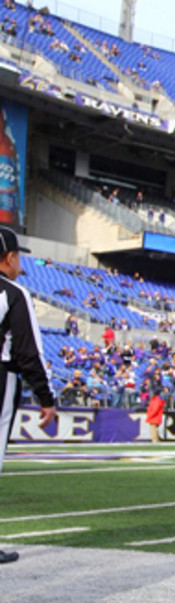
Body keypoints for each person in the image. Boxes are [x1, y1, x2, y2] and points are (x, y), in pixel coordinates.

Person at [0, 225, 56, 564]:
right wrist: (46, 398)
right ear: (8, 258)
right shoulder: (13, 293)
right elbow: (27, 352)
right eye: (18, 256)